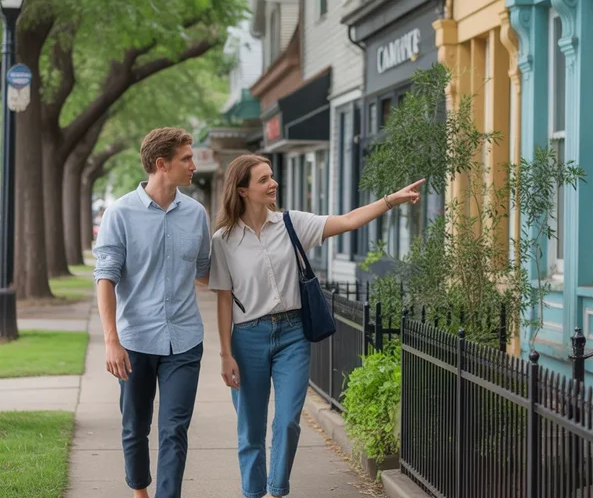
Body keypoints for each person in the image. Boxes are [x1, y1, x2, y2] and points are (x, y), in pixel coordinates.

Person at [208, 154, 424, 498]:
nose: (272, 183)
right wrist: (224, 353)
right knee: (250, 428)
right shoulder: (224, 240)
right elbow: (223, 298)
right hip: (247, 338)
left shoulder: (292, 223)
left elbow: (349, 220)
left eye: (271, 177)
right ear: (243, 190)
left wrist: (389, 201)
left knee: (288, 420)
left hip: (293, 333)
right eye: (263, 179)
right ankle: (252, 492)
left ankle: (277, 490)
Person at [93, 127, 211, 498]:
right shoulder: (120, 214)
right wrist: (111, 341)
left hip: (185, 340)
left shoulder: (196, 214)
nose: (194, 165)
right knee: (135, 426)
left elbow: (206, 272)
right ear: (162, 164)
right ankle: (140, 491)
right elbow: (105, 279)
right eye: (186, 159)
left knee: (174, 429)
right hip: (135, 341)